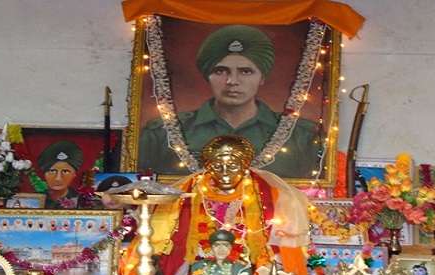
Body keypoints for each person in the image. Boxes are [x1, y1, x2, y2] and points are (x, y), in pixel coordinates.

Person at [120, 135, 316, 275]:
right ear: (208, 166)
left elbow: (277, 241)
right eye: (217, 166)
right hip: (198, 266)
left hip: (246, 268)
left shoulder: (265, 193)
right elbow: (169, 237)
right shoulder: (192, 190)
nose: (224, 173)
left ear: (245, 166)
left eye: (232, 166)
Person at [138, 24, 323, 178]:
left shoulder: (301, 136)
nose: (232, 81)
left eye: (245, 71)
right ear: (207, 76)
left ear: (262, 78)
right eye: (220, 71)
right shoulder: (162, 135)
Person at [37, 141, 83, 208]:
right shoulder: (35, 200)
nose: (58, 178)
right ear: (44, 174)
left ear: (74, 174)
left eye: (65, 171)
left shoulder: (82, 201)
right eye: (52, 171)